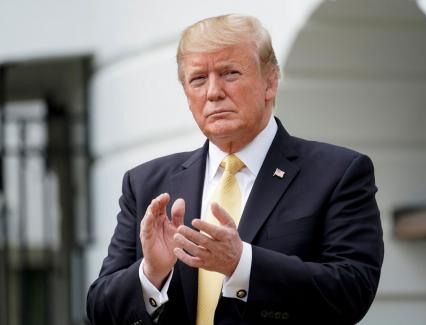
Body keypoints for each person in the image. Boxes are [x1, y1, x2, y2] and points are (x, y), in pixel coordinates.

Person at [86, 14, 384, 325]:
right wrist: (151, 273)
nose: (213, 92)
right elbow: (99, 311)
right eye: (198, 79)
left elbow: (353, 290)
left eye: (230, 73)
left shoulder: (338, 173)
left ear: (270, 83)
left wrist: (243, 265)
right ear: (187, 95)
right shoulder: (145, 184)